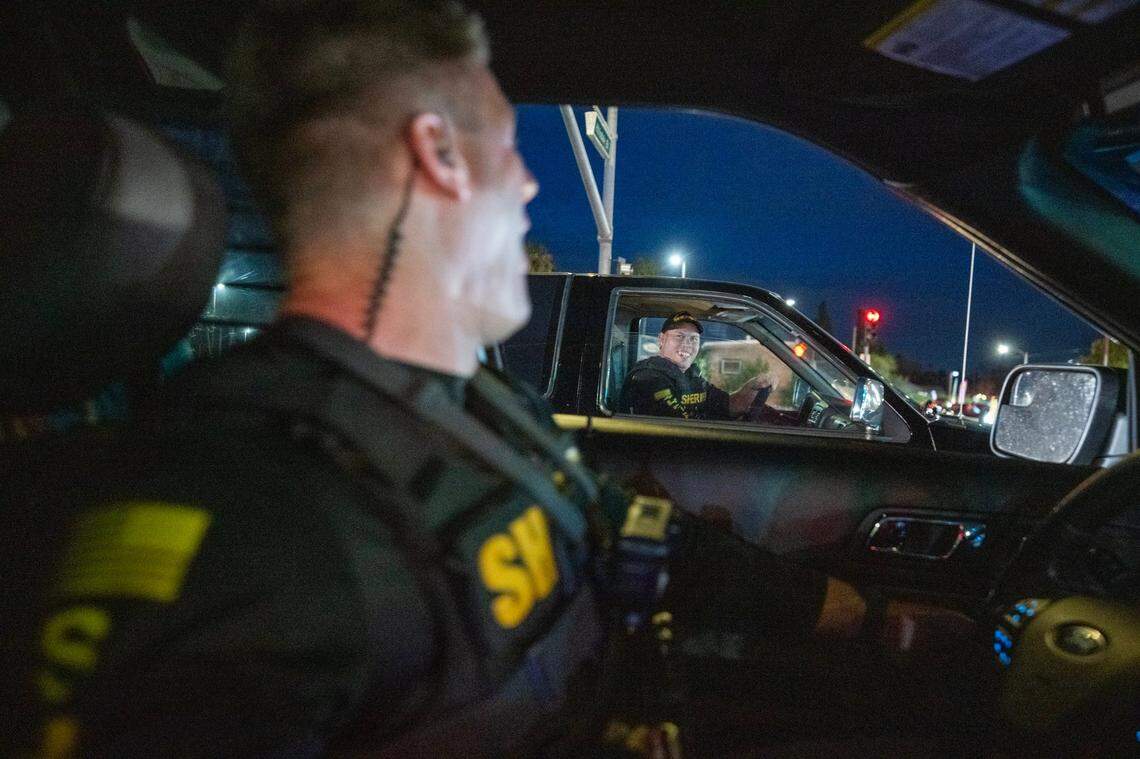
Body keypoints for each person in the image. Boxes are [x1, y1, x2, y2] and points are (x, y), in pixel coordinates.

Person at [9, 2, 971, 757]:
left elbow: (626, 533)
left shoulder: (468, 407)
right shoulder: (240, 520)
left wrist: (874, 622)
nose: (526, 187)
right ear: (436, 157)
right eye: (507, 150)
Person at [619, 312, 777, 420]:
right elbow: (679, 427)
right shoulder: (649, 378)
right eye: (679, 336)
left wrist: (752, 387)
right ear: (661, 340)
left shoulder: (691, 376)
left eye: (693, 338)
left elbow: (729, 405)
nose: (686, 344)